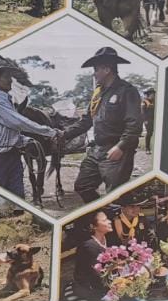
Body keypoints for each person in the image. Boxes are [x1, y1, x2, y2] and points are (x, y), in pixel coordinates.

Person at [60, 47, 143, 204]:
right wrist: (63, 134)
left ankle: (121, 216)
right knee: (83, 185)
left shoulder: (127, 91)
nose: (94, 74)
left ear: (107, 69)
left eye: (96, 70)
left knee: (116, 195)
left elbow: (134, 124)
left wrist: (121, 147)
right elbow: (86, 121)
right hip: (97, 149)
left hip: (117, 150)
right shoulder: (98, 94)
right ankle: (103, 213)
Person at [0, 59, 59, 199]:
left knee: (17, 199)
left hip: (13, 157)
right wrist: (50, 131)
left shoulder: (6, 100)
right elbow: (17, 122)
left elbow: (10, 131)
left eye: (10, 76)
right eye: (6, 77)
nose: (10, 80)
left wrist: (25, 140)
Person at [71, 211, 113, 301]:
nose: (109, 221)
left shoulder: (107, 238)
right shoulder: (89, 246)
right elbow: (96, 276)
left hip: (105, 281)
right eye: (104, 220)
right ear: (93, 226)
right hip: (90, 288)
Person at [142, 88, 156, 153]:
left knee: (152, 133)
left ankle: (152, 148)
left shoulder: (154, 101)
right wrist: (145, 120)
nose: (153, 95)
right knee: (149, 133)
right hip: (147, 120)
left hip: (154, 120)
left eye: (154, 94)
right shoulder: (145, 102)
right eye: (152, 94)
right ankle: (147, 148)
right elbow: (143, 112)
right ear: (149, 94)